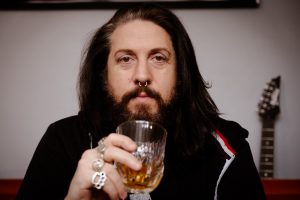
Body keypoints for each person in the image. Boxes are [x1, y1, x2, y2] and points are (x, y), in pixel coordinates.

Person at [16, 3, 266, 200]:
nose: (142, 76)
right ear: (104, 75)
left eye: (159, 58)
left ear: (181, 73)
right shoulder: (63, 140)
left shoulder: (227, 148)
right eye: (125, 59)